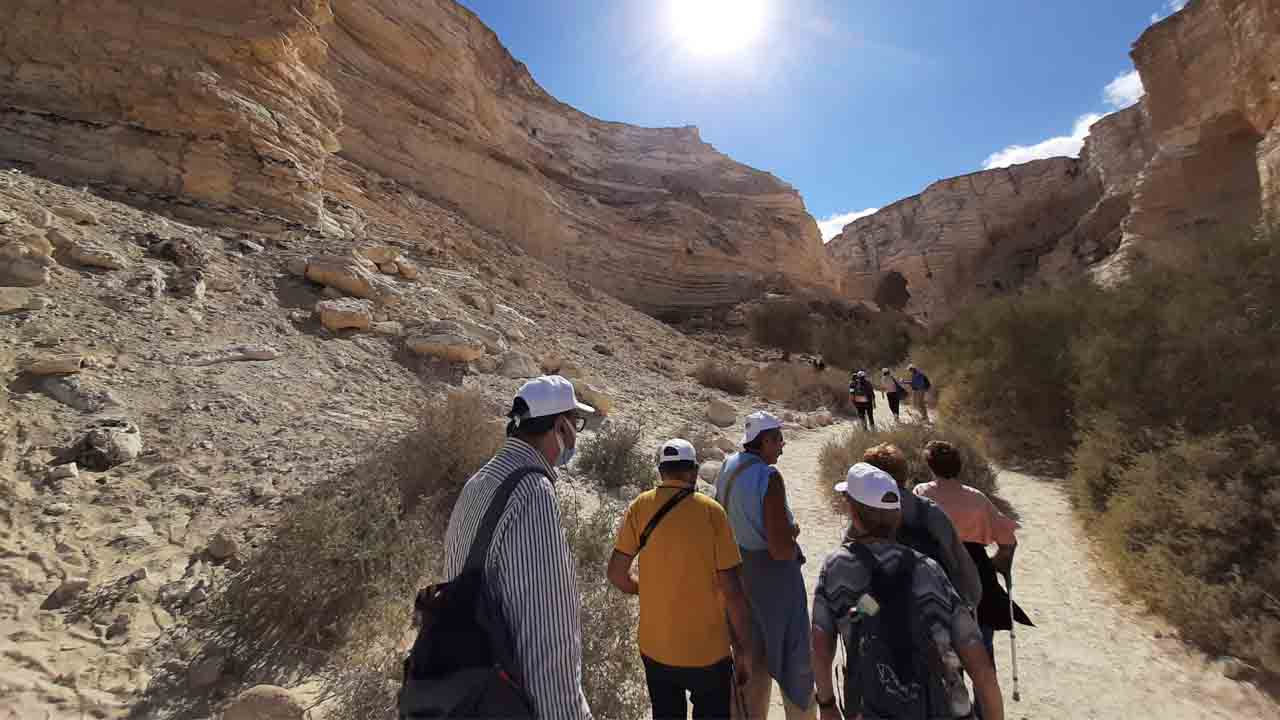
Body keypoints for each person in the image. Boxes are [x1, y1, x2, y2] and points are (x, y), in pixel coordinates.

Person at [442, 375, 595, 718]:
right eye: (576, 424)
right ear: (561, 428)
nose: (575, 437)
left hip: (463, 689)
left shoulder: (479, 479)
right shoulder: (533, 495)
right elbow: (548, 639)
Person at [812, 464, 1005, 720]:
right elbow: (980, 667)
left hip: (870, 707)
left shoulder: (837, 568)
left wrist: (826, 705)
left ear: (854, 514)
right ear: (897, 516)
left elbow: (820, 641)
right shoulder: (929, 570)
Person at [608, 439, 757, 719]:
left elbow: (617, 574)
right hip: (708, 654)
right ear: (694, 471)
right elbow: (733, 591)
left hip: (656, 649)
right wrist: (744, 650)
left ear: (661, 472)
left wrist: (646, 588)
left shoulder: (640, 506)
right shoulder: (712, 512)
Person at [715, 411, 816, 719]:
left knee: (749, 657)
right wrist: (792, 531)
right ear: (767, 440)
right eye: (779, 440)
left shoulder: (728, 466)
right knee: (795, 657)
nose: (783, 447)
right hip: (773, 583)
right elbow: (781, 549)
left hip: (737, 576)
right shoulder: (769, 477)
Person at [914, 440, 1029, 708]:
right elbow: (1008, 541)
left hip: (938, 571)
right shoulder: (977, 498)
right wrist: (995, 565)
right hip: (977, 571)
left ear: (930, 466)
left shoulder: (922, 493)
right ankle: (986, 709)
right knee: (981, 648)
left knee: (944, 652)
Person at [860, 443, 982, 610]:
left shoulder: (864, 515)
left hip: (881, 614)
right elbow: (959, 562)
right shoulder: (929, 510)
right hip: (932, 610)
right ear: (904, 474)